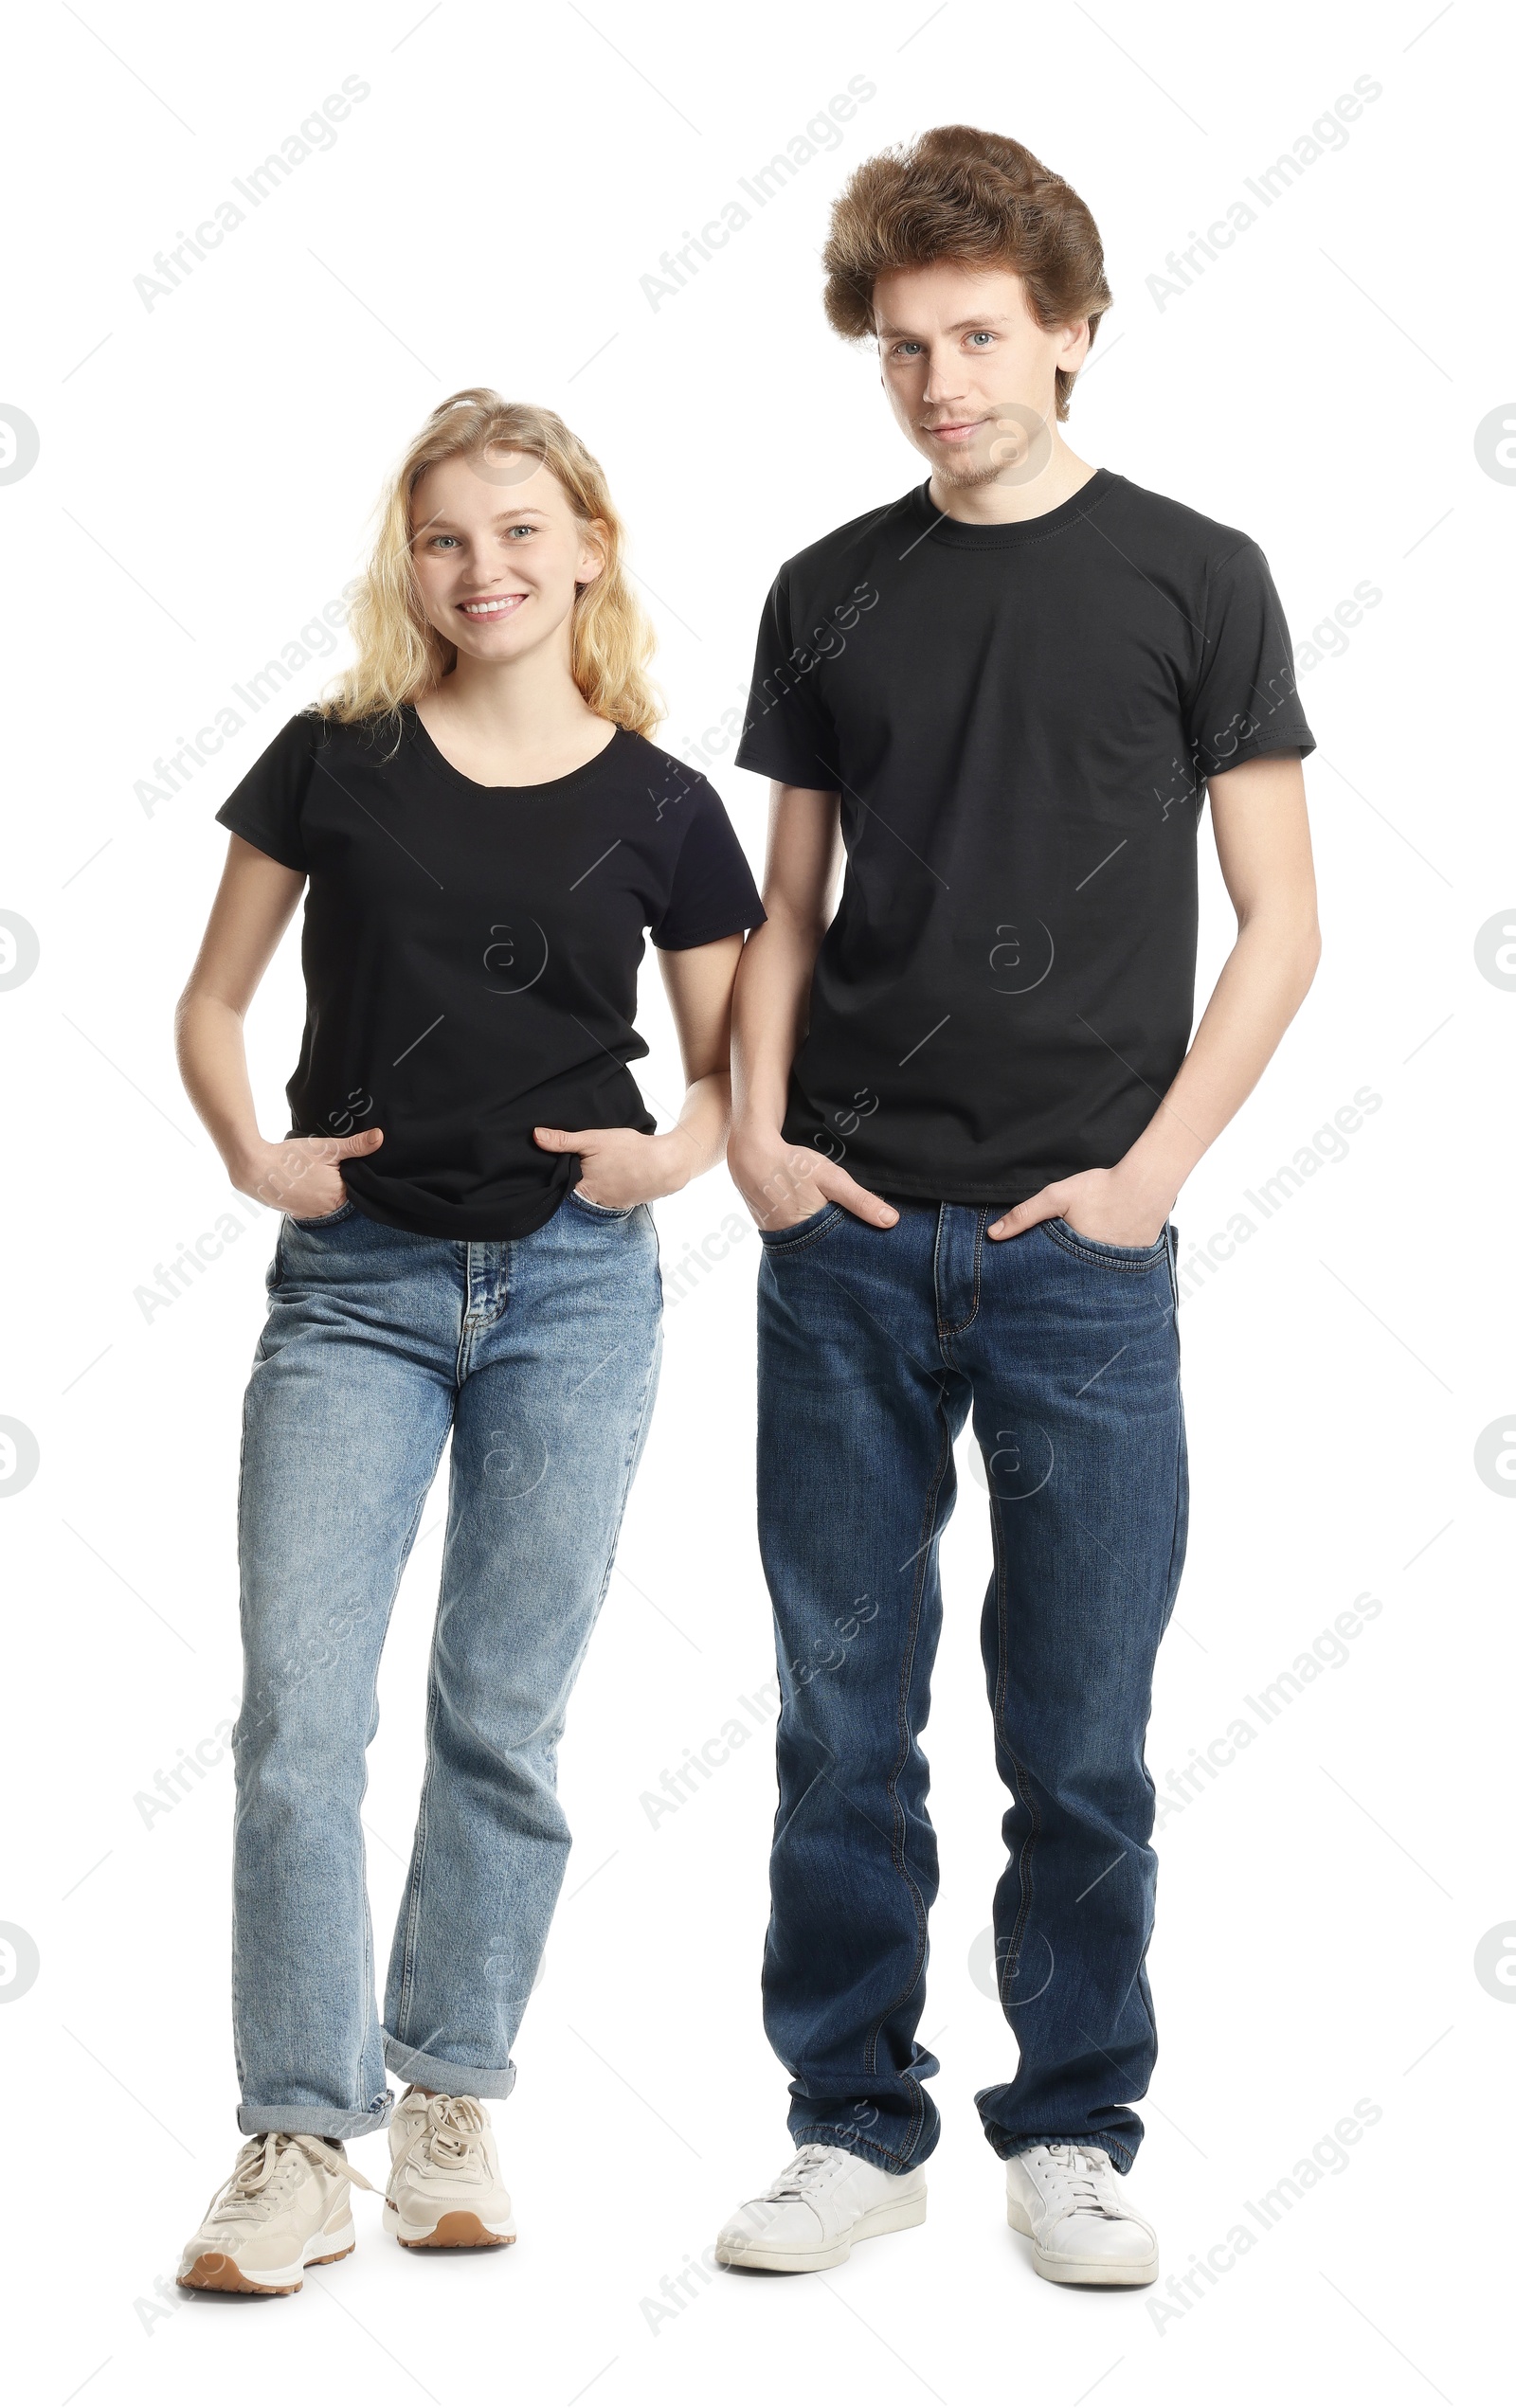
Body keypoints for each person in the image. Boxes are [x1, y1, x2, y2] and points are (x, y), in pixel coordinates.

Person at [716, 127, 1319, 2287]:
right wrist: (763, 1148)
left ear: (1069, 329)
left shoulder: (1194, 572)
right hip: (846, 1244)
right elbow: (783, 912)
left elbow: (1277, 920)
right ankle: (850, 2121)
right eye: (901, 347)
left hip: (1082, 1257)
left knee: (1075, 1725)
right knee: (836, 1724)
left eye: (978, 336)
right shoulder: (827, 586)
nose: (939, 381)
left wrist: (1149, 1181)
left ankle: (1068, 2128)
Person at [172, 388, 763, 2293]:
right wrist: (254, 1152)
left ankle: (447, 2095)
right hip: (353, 1296)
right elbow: (211, 994)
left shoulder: (666, 806)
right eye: (444, 536)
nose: (482, 566)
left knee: (500, 1717)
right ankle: (289, 2131)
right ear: (406, 564)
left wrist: (662, 1154)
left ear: (587, 545)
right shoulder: (332, 758)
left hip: (575, 1299)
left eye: (519, 529)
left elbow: (733, 1060)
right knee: (296, 1726)